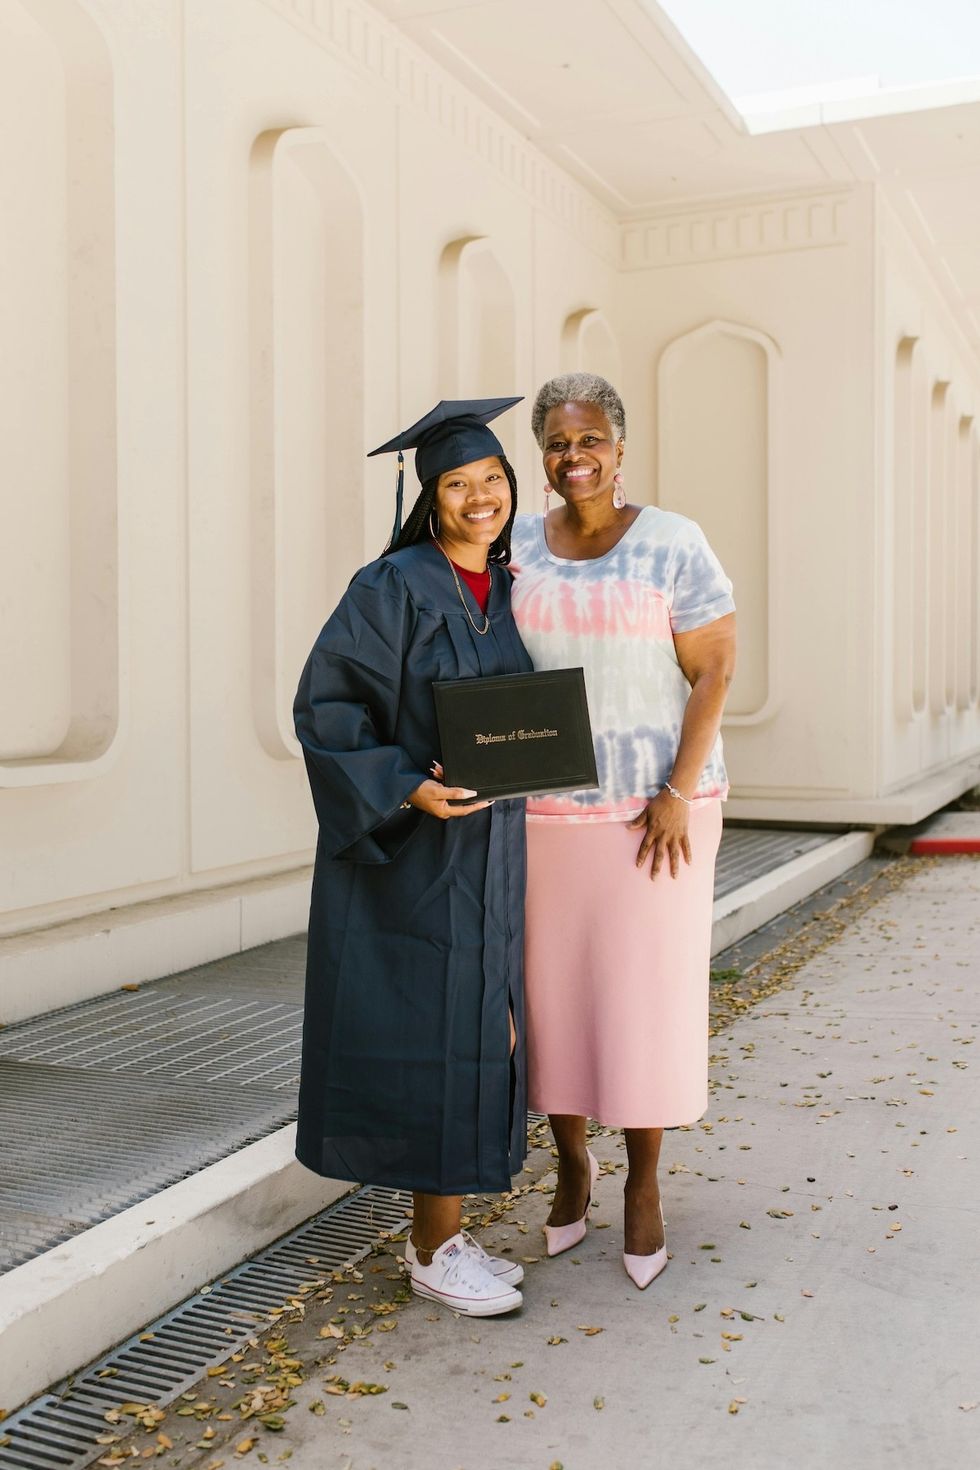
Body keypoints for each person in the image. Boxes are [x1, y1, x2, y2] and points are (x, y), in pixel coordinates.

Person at [293, 398, 532, 1317]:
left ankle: (447, 1227)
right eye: (459, 484)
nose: (480, 498)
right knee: (436, 1039)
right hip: (412, 856)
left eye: (493, 480)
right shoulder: (390, 586)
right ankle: (431, 1247)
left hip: (490, 852)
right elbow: (328, 709)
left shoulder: (508, 588)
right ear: (429, 498)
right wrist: (405, 785)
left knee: (481, 1032)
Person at [509, 372, 737, 1289]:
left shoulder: (674, 543)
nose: (575, 458)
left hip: (658, 814)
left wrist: (680, 788)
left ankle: (644, 1185)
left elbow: (715, 669)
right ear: (543, 452)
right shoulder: (518, 543)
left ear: (620, 445)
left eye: (590, 440)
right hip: (543, 813)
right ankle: (572, 1164)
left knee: (644, 1003)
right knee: (551, 1001)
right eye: (559, 444)